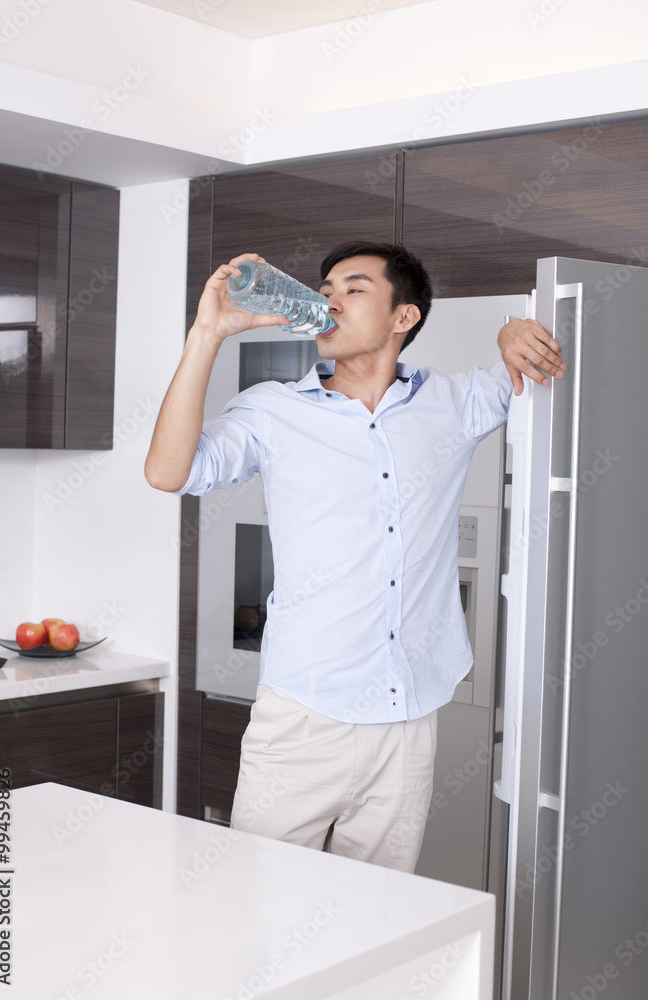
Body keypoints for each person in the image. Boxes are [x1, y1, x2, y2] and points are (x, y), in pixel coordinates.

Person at [145, 242, 565, 873]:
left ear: (405, 317)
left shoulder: (453, 403)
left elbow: (555, 373)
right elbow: (168, 471)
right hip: (303, 718)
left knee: (378, 915)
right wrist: (208, 333)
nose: (329, 298)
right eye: (325, 287)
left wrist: (512, 329)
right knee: (255, 905)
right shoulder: (272, 409)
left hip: (408, 718)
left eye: (355, 287)